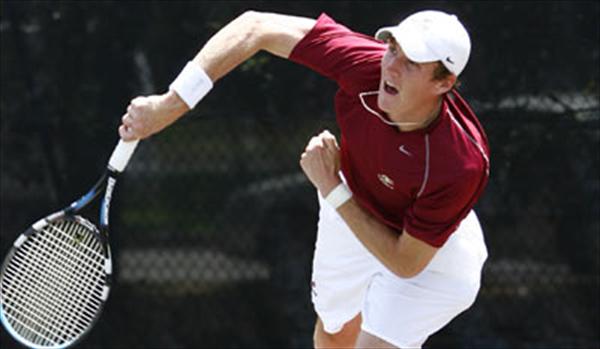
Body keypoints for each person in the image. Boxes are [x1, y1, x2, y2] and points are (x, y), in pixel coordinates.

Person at [119, 9, 490, 349]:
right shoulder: (367, 66)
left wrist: (331, 188)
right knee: (332, 331)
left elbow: (405, 263)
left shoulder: (459, 164)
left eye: (411, 63)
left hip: (429, 253)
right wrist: (172, 103)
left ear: (444, 83)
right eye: (393, 50)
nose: (391, 67)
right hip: (353, 204)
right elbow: (256, 26)